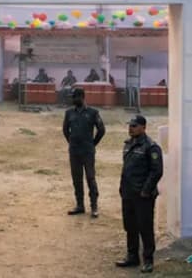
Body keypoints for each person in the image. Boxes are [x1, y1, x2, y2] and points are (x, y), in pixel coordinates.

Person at [115, 115, 163, 274]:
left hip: (143, 196)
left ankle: (148, 260)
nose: (131, 128)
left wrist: (145, 191)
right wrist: (122, 188)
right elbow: (126, 169)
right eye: (130, 125)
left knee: (145, 227)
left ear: (143, 127)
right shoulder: (128, 144)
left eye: (134, 126)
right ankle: (132, 256)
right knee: (130, 226)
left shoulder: (151, 147)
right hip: (128, 193)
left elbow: (157, 171)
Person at [62, 88, 106, 217]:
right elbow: (65, 130)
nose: (72, 100)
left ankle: (94, 206)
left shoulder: (93, 112)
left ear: (81, 97)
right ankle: (80, 205)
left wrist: (93, 143)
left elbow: (101, 130)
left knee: (90, 178)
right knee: (77, 179)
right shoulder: (69, 113)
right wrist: (71, 142)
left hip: (87, 152)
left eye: (74, 97)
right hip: (74, 151)